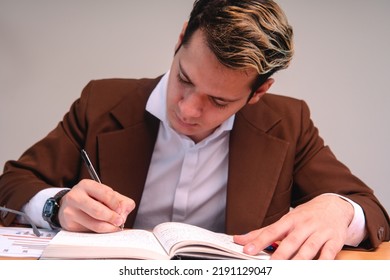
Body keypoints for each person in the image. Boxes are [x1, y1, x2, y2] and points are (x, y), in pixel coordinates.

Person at [0, 0, 389, 260]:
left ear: (259, 92)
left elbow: (372, 212)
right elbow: (13, 183)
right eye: (184, 78)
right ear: (181, 36)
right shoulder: (102, 101)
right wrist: (57, 205)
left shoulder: (289, 123)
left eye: (219, 102)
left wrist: (340, 210)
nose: (187, 109)